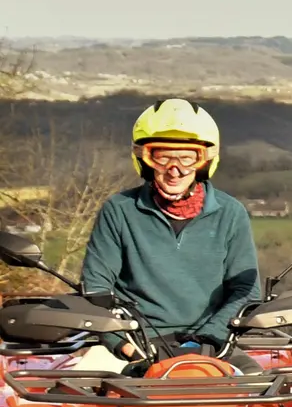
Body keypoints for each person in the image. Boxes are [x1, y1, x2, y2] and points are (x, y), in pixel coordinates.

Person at [81, 98, 260, 360]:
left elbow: (246, 290)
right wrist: (125, 345)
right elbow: (95, 288)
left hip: (212, 345)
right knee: (76, 396)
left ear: (205, 161)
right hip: (136, 344)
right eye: (162, 157)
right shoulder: (119, 210)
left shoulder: (230, 213)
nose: (174, 170)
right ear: (144, 159)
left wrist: (208, 341)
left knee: (261, 395)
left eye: (188, 158)